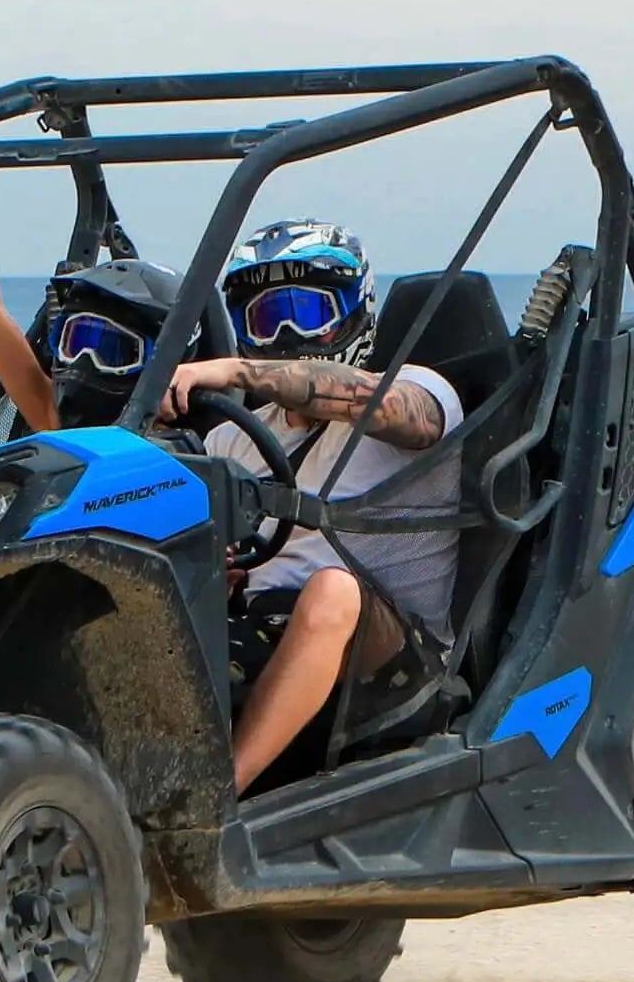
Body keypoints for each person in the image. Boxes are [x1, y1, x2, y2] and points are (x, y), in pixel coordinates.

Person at [160, 220, 465, 794]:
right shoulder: (233, 438)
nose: (286, 332)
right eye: (266, 317)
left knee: (331, 590)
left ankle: (220, 798)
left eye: (306, 311)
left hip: (392, 664)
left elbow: (383, 405)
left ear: (354, 311)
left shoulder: (415, 393)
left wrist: (229, 371)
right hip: (264, 632)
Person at [0, 118, 179, 432]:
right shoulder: (56, 421)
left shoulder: (206, 444)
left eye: (112, 351)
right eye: (76, 342)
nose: (85, 362)